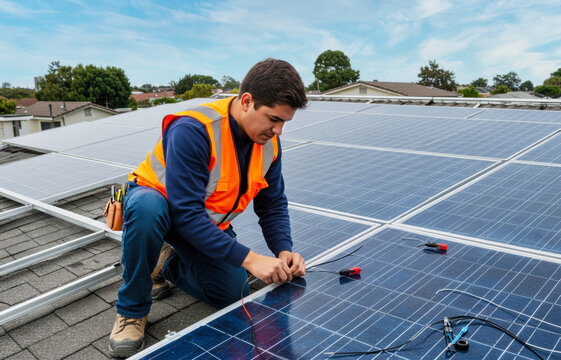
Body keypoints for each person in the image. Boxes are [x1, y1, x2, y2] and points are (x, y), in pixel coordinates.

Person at [109, 58, 308, 357]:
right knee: (149, 210)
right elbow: (186, 214)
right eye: (272, 119)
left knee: (231, 293)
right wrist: (251, 259)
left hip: (204, 223)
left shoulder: (270, 145)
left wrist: (284, 250)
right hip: (158, 206)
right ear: (246, 101)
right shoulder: (194, 130)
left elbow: (273, 204)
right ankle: (132, 309)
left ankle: (167, 262)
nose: (278, 130)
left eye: (284, 122)